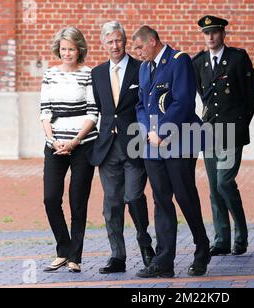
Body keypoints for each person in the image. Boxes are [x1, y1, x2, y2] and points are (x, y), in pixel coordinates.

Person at [132, 25, 210, 278]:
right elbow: (141, 104)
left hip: (179, 141)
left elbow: (184, 101)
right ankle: (163, 262)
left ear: (153, 41)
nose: (137, 53)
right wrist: (147, 131)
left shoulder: (179, 61)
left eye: (139, 47)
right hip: (153, 145)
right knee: (161, 200)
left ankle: (202, 248)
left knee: (185, 197)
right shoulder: (144, 68)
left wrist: (162, 131)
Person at [89, 21, 155, 274]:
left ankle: (145, 243)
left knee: (133, 197)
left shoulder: (142, 69)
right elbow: (98, 109)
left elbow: (148, 104)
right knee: (112, 203)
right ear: (102, 44)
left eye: (118, 40)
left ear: (125, 41)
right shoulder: (97, 73)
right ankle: (117, 256)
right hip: (107, 147)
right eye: (110, 42)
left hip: (135, 144)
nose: (115, 45)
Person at [193, 15, 254, 257]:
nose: (210, 37)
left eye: (214, 32)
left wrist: (241, 123)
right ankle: (221, 240)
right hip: (210, 131)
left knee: (224, 182)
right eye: (206, 33)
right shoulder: (198, 62)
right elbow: (201, 94)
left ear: (223, 34)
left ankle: (240, 236)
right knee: (213, 187)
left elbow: (251, 95)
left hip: (231, 131)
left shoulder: (238, 59)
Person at [40, 26, 98, 273]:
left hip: (83, 145)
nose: (67, 53)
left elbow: (93, 113)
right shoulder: (50, 75)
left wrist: (74, 142)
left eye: (71, 49)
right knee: (51, 198)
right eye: (63, 49)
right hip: (54, 145)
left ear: (79, 50)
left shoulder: (88, 75)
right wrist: (53, 141)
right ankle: (63, 249)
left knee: (77, 202)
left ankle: (75, 257)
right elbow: (45, 112)